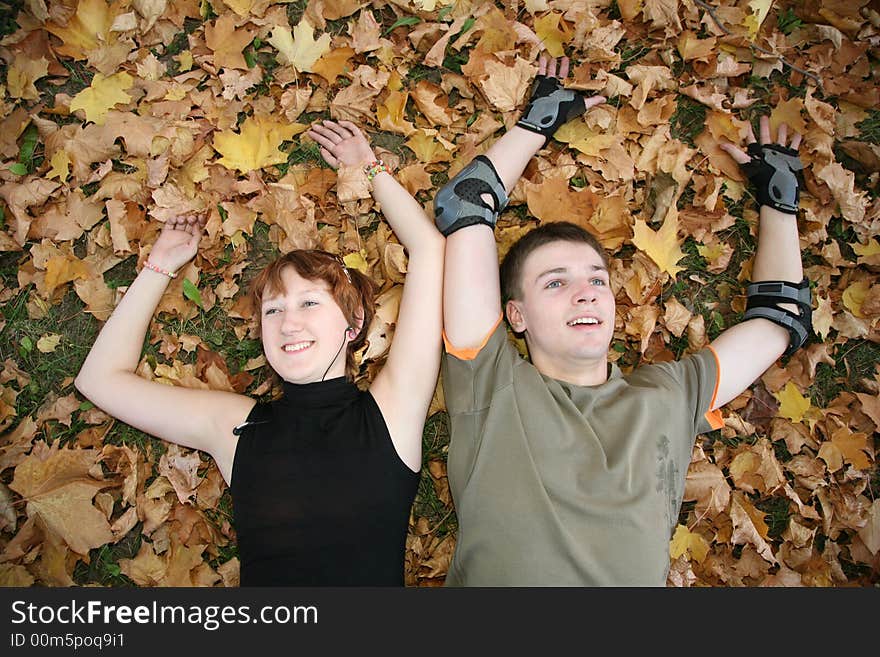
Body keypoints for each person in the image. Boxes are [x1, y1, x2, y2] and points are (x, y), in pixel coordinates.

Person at [433, 55, 811, 586]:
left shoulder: (668, 394)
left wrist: (780, 198)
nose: (586, 295)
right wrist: (537, 121)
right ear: (514, 315)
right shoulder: (489, 380)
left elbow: (781, 318)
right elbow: (464, 207)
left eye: (596, 280)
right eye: (556, 283)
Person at [75, 121, 445, 586]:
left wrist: (367, 169)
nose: (289, 322)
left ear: (353, 327)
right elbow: (99, 380)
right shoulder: (236, 428)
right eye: (273, 310)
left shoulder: (391, 412)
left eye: (310, 302)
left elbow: (430, 249)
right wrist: (159, 266)